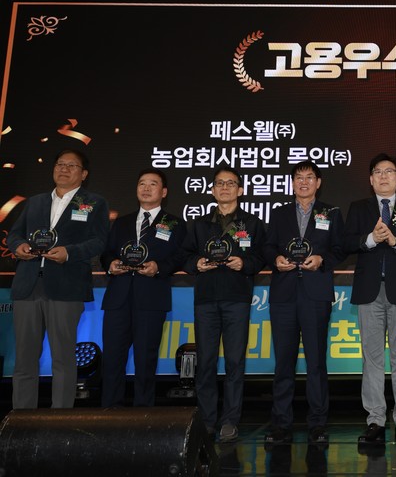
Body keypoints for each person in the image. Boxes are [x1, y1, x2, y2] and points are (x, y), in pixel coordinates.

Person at [8, 149, 109, 409]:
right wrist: (18, 246)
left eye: (71, 165)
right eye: (60, 164)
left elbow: (99, 241)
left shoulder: (93, 203)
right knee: (24, 359)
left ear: (84, 174)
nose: (64, 169)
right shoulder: (35, 202)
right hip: (28, 286)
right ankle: (22, 418)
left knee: (63, 359)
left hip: (66, 287)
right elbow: (14, 234)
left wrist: (69, 253)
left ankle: (60, 418)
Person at [344, 153, 396, 448]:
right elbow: (345, 242)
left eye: (389, 171)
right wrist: (371, 238)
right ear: (371, 179)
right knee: (372, 359)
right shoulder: (359, 208)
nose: (383, 176)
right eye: (378, 172)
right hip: (369, 291)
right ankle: (375, 420)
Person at [262, 160, 345, 446]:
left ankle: (317, 424)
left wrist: (322, 259)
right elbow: (267, 246)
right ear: (292, 183)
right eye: (299, 178)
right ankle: (281, 424)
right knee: (283, 363)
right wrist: (275, 259)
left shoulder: (331, 213)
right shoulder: (279, 213)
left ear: (318, 183)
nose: (304, 182)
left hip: (315, 294)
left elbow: (340, 249)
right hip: (284, 294)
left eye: (310, 177)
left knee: (316, 363)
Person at [181, 166, 265, 441]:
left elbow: (261, 257)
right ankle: (206, 420)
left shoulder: (252, 223)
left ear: (240, 190)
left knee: (234, 362)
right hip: (206, 299)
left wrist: (245, 263)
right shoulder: (199, 224)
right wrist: (196, 263)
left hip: (237, 298)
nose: (225, 188)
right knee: (205, 361)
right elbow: (184, 255)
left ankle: (230, 420)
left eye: (231, 183)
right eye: (220, 183)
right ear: (213, 190)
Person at [100, 168, 187, 407]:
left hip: (151, 298)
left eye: (153, 184)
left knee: (145, 360)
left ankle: (143, 415)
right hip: (118, 298)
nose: (146, 188)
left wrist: (159, 267)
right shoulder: (122, 222)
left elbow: (181, 257)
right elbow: (106, 253)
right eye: (142, 184)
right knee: (112, 359)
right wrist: (111, 264)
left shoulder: (174, 224)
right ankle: (109, 414)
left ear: (164, 192)